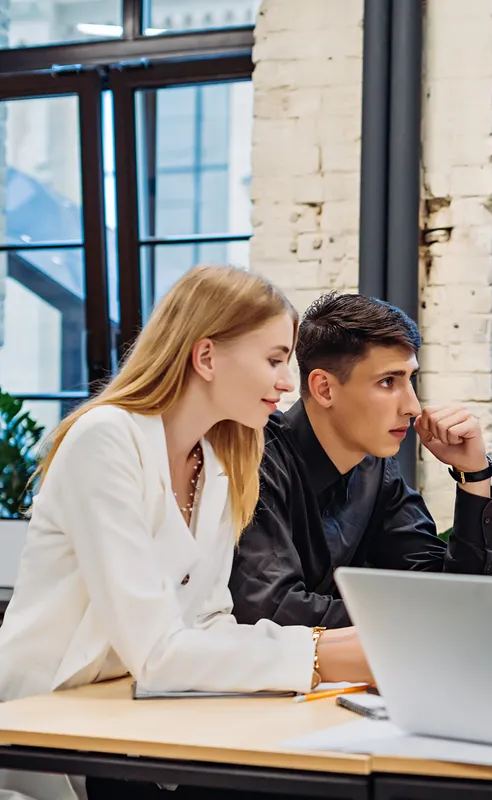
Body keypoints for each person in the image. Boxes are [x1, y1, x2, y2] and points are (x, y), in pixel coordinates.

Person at [0, 267, 373, 800]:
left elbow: (208, 621)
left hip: (135, 720)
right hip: (50, 724)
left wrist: (334, 643)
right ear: (205, 357)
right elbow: (156, 653)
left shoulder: (221, 459)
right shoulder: (106, 440)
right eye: (273, 360)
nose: (287, 382)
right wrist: (320, 654)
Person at [228, 292, 492, 629]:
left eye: (409, 379)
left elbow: (453, 594)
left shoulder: (376, 469)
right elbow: (272, 609)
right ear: (324, 389)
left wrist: (474, 476)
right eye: (388, 382)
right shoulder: (257, 457)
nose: (413, 407)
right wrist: (425, 618)